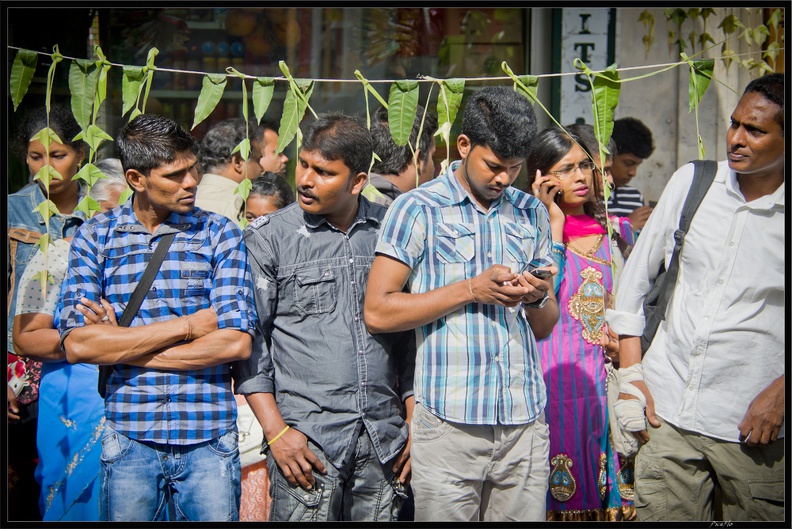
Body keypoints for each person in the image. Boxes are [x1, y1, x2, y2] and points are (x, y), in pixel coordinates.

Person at [364, 86, 559, 522]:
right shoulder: (417, 209)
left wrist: (537, 295)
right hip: (449, 426)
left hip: (524, 425)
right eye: (493, 166)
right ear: (463, 146)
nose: (504, 179)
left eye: (513, 168)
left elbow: (546, 325)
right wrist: (471, 289)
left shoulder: (532, 213)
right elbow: (377, 311)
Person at [56, 114, 257, 522]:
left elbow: (235, 342)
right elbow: (77, 344)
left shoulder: (221, 234)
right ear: (136, 178)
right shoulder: (97, 236)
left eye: (193, 169)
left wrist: (121, 346)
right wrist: (186, 327)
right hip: (130, 433)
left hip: (209, 436)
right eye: (175, 175)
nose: (191, 182)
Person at [606, 73, 784, 521]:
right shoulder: (694, 183)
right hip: (666, 414)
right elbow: (634, 285)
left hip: (752, 427)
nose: (736, 139)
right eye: (734, 123)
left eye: (756, 130)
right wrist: (633, 378)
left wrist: (782, 394)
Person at [235, 112, 414, 522]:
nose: (305, 180)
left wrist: (414, 420)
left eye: (324, 172)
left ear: (358, 180)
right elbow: (250, 346)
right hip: (307, 446)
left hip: (384, 442)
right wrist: (277, 433)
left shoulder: (393, 230)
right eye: (303, 164)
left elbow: (413, 338)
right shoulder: (268, 238)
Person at [526, 128, 635, 520]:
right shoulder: (527, 234)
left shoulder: (619, 233)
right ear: (541, 178)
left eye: (585, 165)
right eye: (566, 168)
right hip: (551, 381)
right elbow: (541, 299)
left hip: (604, 382)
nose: (580, 176)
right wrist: (551, 224)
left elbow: (635, 307)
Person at [12, 160, 127, 521]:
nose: (122, 223)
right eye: (113, 212)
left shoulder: (147, 259)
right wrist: (87, 342)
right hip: (74, 398)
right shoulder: (56, 255)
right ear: (89, 211)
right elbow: (25, 337)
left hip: (135, 395)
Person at [7, 105, 88, 521]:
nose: (47, 167)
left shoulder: (104, 214)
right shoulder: (11, 211)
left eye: (58, 156)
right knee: (22, 489)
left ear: (80, 154)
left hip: (83, 369)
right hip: (18, 371)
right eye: (36, 157)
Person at [362, 105, 439, 207]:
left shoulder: (354, 198)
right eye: (432, 157)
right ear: (418, 159)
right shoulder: (396, 214)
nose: (434, 167)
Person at [196, 118, 263, 223]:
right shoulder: (243, 205)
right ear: (238, 161)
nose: (262, 169)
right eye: (258, 160)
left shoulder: (183, 200)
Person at [608, 117, 655, 229]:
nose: (633, 172)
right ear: (608, 156)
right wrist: (627, 227)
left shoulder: (635, 197)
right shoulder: (589, 197)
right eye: (628, 163)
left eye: (637, 165)